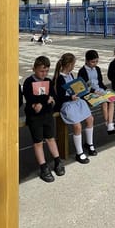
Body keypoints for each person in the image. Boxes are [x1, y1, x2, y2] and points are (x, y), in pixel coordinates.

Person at [21, 55, 65, 183]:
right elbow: (31, 100)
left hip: (47, 115)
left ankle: (57, 161)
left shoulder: (48, 81)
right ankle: (43, 167)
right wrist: (45, 100)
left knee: (51, 138)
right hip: (35, 117)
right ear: (34, 69)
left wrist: (43, 102)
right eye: (41, 71)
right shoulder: (29, 82)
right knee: (38, 142)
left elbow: (52, 97)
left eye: (46, 71)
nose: (44, 73)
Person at [55, 52, 96, 162]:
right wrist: (70, 97)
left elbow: (73, 88)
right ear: (69, 65)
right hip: (67, 104)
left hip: (76, 101)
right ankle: (79, 152)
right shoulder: (60, 78)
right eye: (73, 64)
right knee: (77, 126)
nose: (74, 66)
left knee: (90, 119)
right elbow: (59, 97)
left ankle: (89, 143)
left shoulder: (71, 74)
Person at [78, 49, 115, 135]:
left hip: (99, 90)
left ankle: (110, 123)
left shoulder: (97, 69)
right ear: (87, 61)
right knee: (104, 102)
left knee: (111, 100)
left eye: (96, 61)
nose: (95, 64)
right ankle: (108, 124)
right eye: (93, 62)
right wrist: (94, 91)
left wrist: (106, 89)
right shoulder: (82, 71)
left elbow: (100, 82)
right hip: (89, 93)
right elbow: (83, 87)